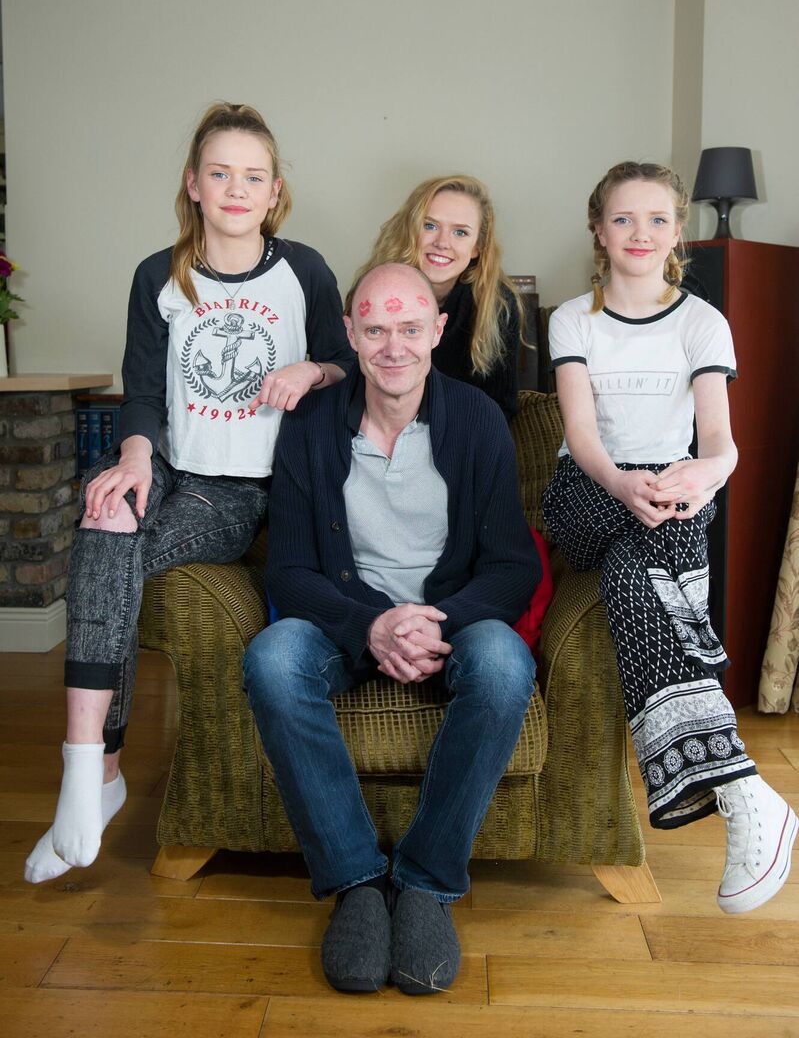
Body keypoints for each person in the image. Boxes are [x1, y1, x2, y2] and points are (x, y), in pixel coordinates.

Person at [25, 102, 354, 884]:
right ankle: (88, 767)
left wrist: (311, 369)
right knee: (107, 520)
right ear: (193, 185)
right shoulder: (158, 274)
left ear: (274, 191)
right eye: (220, 173)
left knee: (120, 558)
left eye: (253, 175)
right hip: (170, 457)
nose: (236, 188)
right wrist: (134, 460)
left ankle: (99, 774)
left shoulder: (301, 270)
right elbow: (141, 391)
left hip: (241, 486)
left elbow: (346, 361)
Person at [243, 262, 539, 993]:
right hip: (346, 625)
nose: (393, 347)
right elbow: (289, 572)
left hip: (451, 622)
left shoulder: (475, 420)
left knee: (503, 667)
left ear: (437, 331)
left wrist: (436, 623)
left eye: (410, 328)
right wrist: (373, 626)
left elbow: (510, 566)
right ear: (349, 334)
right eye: (374, 330)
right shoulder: (309, 424)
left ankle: (427, 883)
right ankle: (355, 883)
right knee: (274, 659)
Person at [542, 160, 797, 915]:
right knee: (640, 545)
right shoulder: (571, 319)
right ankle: (744, 789)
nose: (639, 233)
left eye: (656, 219)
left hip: (673, 489)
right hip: (588, 493)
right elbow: (581, 436)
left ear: (677, 231)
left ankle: (744, 797)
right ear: (597, 229)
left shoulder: (700, 322)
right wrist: (625, 482)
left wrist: (701, 477)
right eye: (622, 219)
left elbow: (720, 443)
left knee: (633, 575)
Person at [347, 175, 522, 419]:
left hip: (464, 434)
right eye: (429, 226)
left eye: (460, 232)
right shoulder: (372, 291)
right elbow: (350, 385)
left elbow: (501, 406)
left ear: (476, 247)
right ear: (411, 230)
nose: (442, 243)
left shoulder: (497, 305)